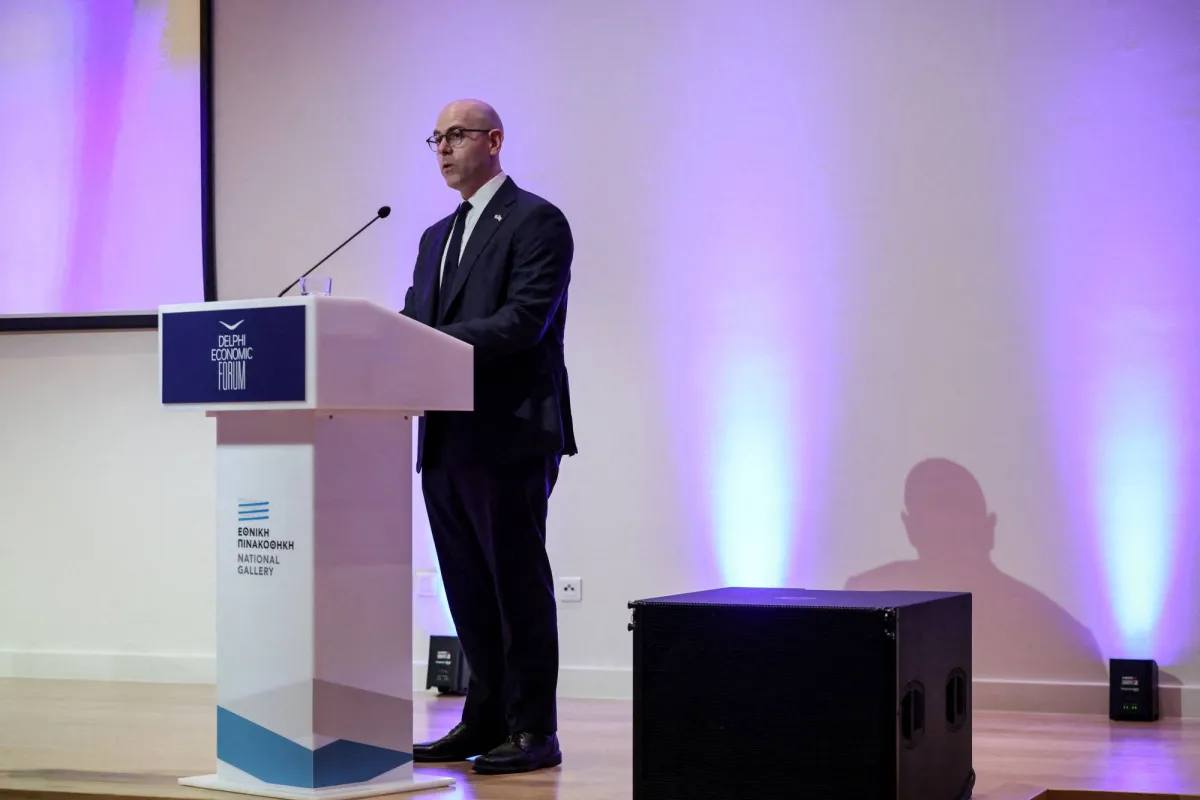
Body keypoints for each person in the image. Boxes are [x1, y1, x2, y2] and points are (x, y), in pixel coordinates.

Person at [399, 99, 576, 775]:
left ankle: (534, 730)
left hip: (508, 431)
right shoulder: (434, 237)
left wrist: (425, 341)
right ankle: (484, 719)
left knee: (515, 584)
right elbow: (412, 323)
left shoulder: (536, 220)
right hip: (446, 433)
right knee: (467, 586)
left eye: (457, 135)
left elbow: (523, 321)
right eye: (436, 139)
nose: (444, 149)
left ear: (494, 140)